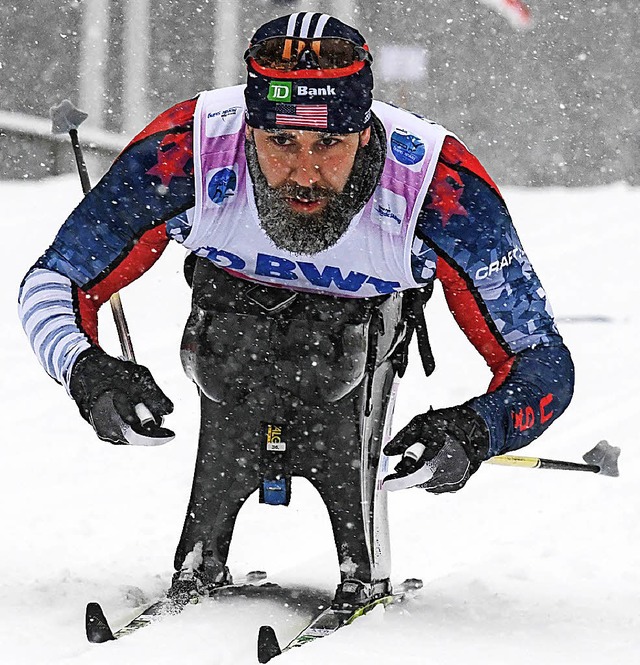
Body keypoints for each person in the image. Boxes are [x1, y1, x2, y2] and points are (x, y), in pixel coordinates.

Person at [18, 13, 574, 608]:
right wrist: (86, 369)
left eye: (328, 143)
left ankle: (356, 528)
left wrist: (477, 430)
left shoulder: (438, 188)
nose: (304, 173)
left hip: (362, 330)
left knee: (338, 354)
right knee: (225, 346)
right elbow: (54, 281)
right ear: (249, 128)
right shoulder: (188, 149)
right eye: (281, 142)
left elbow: (541, 361)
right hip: (228, 317)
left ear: (364, 133)